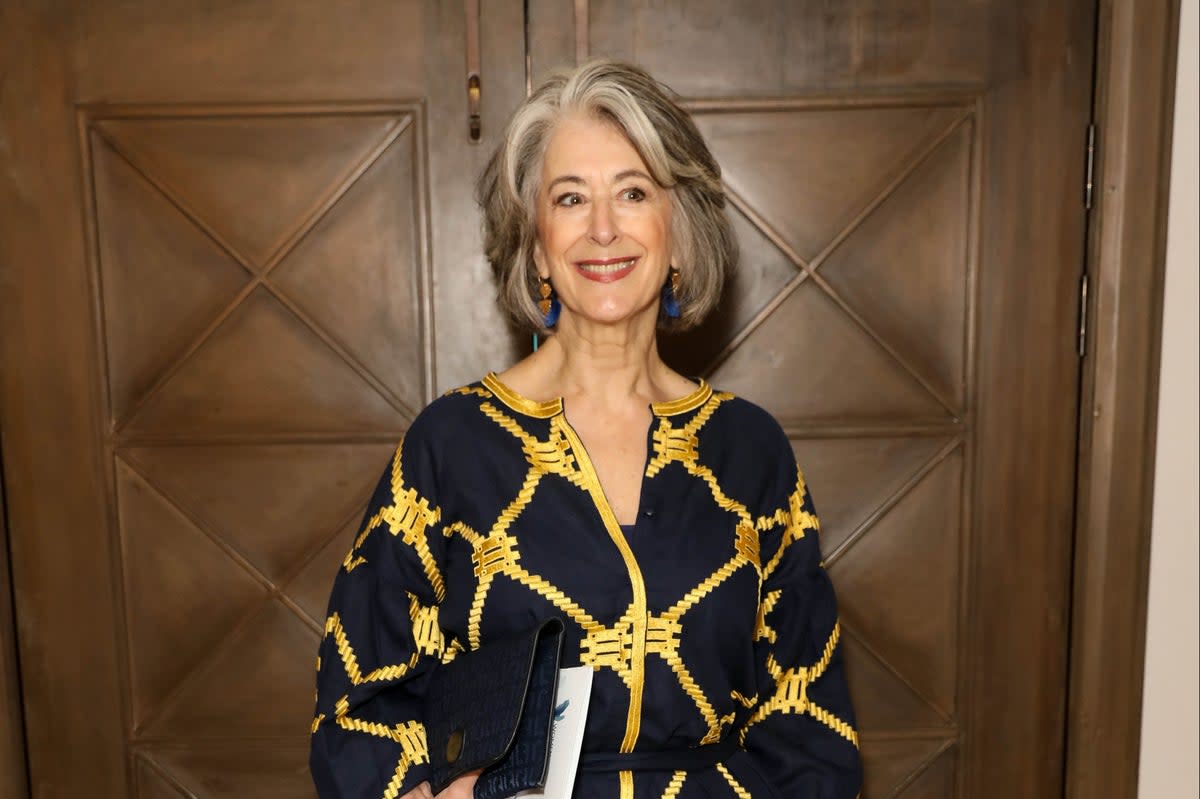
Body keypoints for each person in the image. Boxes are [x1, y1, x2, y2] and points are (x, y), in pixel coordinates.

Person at [310, 59, 862, 799]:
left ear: (679, 233)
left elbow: (810, 727)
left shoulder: (749, 452)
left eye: (633, 192)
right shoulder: (451, 446)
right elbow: (359, 703)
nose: (603, 228)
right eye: (570, 199)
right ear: (537, 246)